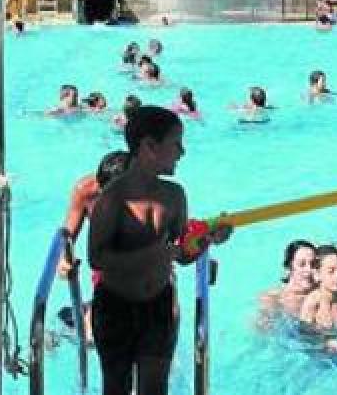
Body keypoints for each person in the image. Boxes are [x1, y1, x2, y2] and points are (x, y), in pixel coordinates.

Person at [88, 106, 229, 395]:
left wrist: (207, 240)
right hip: (115, 305)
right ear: (149, 147)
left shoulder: (175, 196)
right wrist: (151, 255)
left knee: (155, 389)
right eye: (176, 144)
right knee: (115, 387)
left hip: (159, 305)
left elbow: (183, 254)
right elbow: (97, 258)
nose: (182, 152)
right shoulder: (113, 200)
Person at [55, 151, 133, 344]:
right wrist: (63, 261)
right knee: (91, 339)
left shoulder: (152, 195)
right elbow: (67, 235)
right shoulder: (86, 191)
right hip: (107, 267)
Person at [256, 239, 319, 328]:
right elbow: (261, 329)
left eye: (313, 264)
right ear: (289, 267)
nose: (308, 270)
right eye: (302, 264)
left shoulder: (322, 291)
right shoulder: (275, 298)